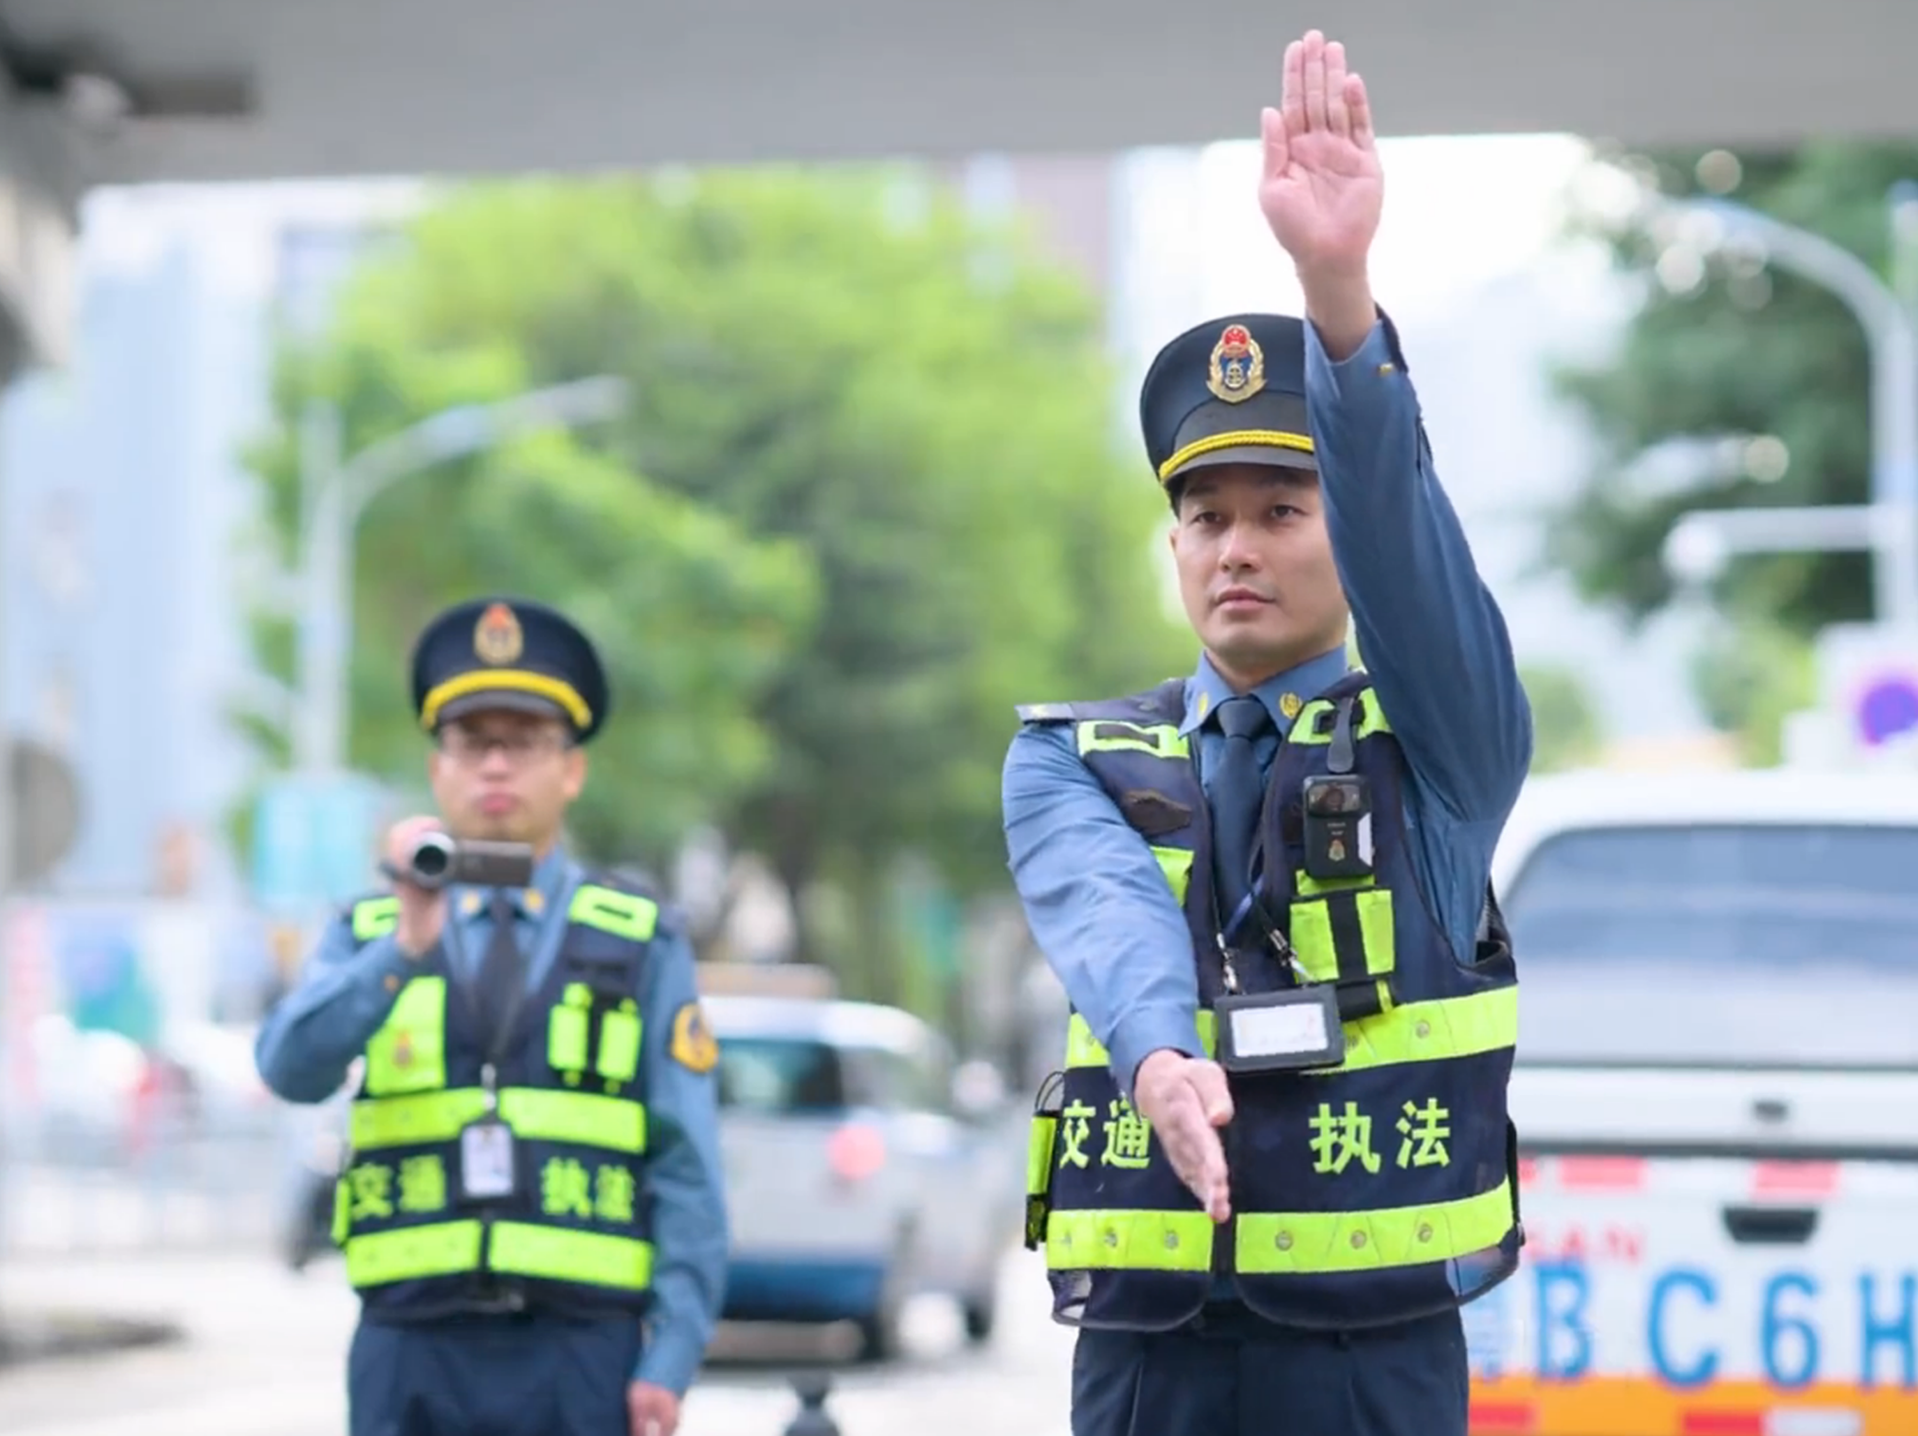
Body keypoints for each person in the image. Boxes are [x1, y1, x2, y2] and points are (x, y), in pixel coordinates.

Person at [1003, 30, 1531, 1436]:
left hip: (1366, 1364)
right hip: (1143, 1353)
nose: (1235, 546)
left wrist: (1336, 298)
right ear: (1171, 543)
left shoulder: (1438, 753)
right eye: (1205, 515)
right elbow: (1104, 909)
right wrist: (1159, 1054)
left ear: (1337, 539)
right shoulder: (1071, 754)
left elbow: (1415, 565)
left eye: (1280, 513)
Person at [255, 596, 729, 1436]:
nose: (497, 766)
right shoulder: (371, 930)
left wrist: (673, 1351)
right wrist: (404, 947)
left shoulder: (641, 939)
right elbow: (288, 1068)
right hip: (410, 1348)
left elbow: (685, 1160)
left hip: (583, 1353)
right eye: (474, 743)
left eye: (525, 741)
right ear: (438, 768)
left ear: (571, 768)